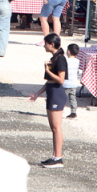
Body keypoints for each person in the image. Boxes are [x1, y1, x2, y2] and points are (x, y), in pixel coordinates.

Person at [30, 34, 68, 169]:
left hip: (57, 94)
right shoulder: (55, 58)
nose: (44, 46)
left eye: (46, 43)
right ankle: (55, 156)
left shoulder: (61, 59)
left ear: (52, 44)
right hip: (52, 92)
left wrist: (47, 70)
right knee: (53, 128)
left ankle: (58, 157)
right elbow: (49, 82)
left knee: (57, 128)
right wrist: (37, 94)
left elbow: (60, 79)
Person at [64, 43, 81, 119]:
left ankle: (59, 110)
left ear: (68, 51)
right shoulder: (77, 61)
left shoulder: (66, 60)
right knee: (72, 98)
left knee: (62, 97)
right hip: (74, 83)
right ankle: (73, 112)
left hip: (66, 83)